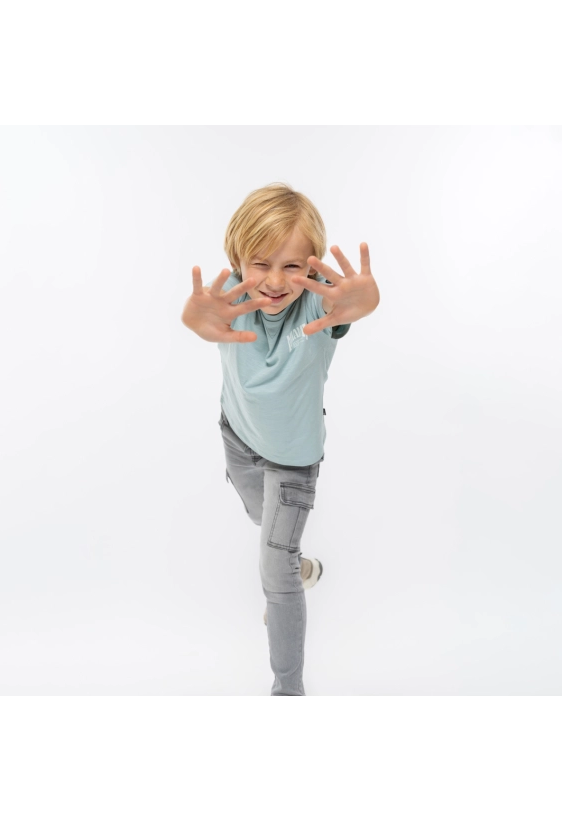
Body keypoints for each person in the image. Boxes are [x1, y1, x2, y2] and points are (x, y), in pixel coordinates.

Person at [181, 182, 380, 695]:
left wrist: (359, 305)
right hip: (237, 438)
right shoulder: (229, 297)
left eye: (292, 265)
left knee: (275, 573)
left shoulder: (319, 305)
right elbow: (205, 315)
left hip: (292, 461)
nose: (273, 281)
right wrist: (195, 321)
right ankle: (299, 566)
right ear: (237, 261)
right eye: (260, 263)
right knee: (265, 526)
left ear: (312, 267)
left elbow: (346, 309)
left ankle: (288, 693)